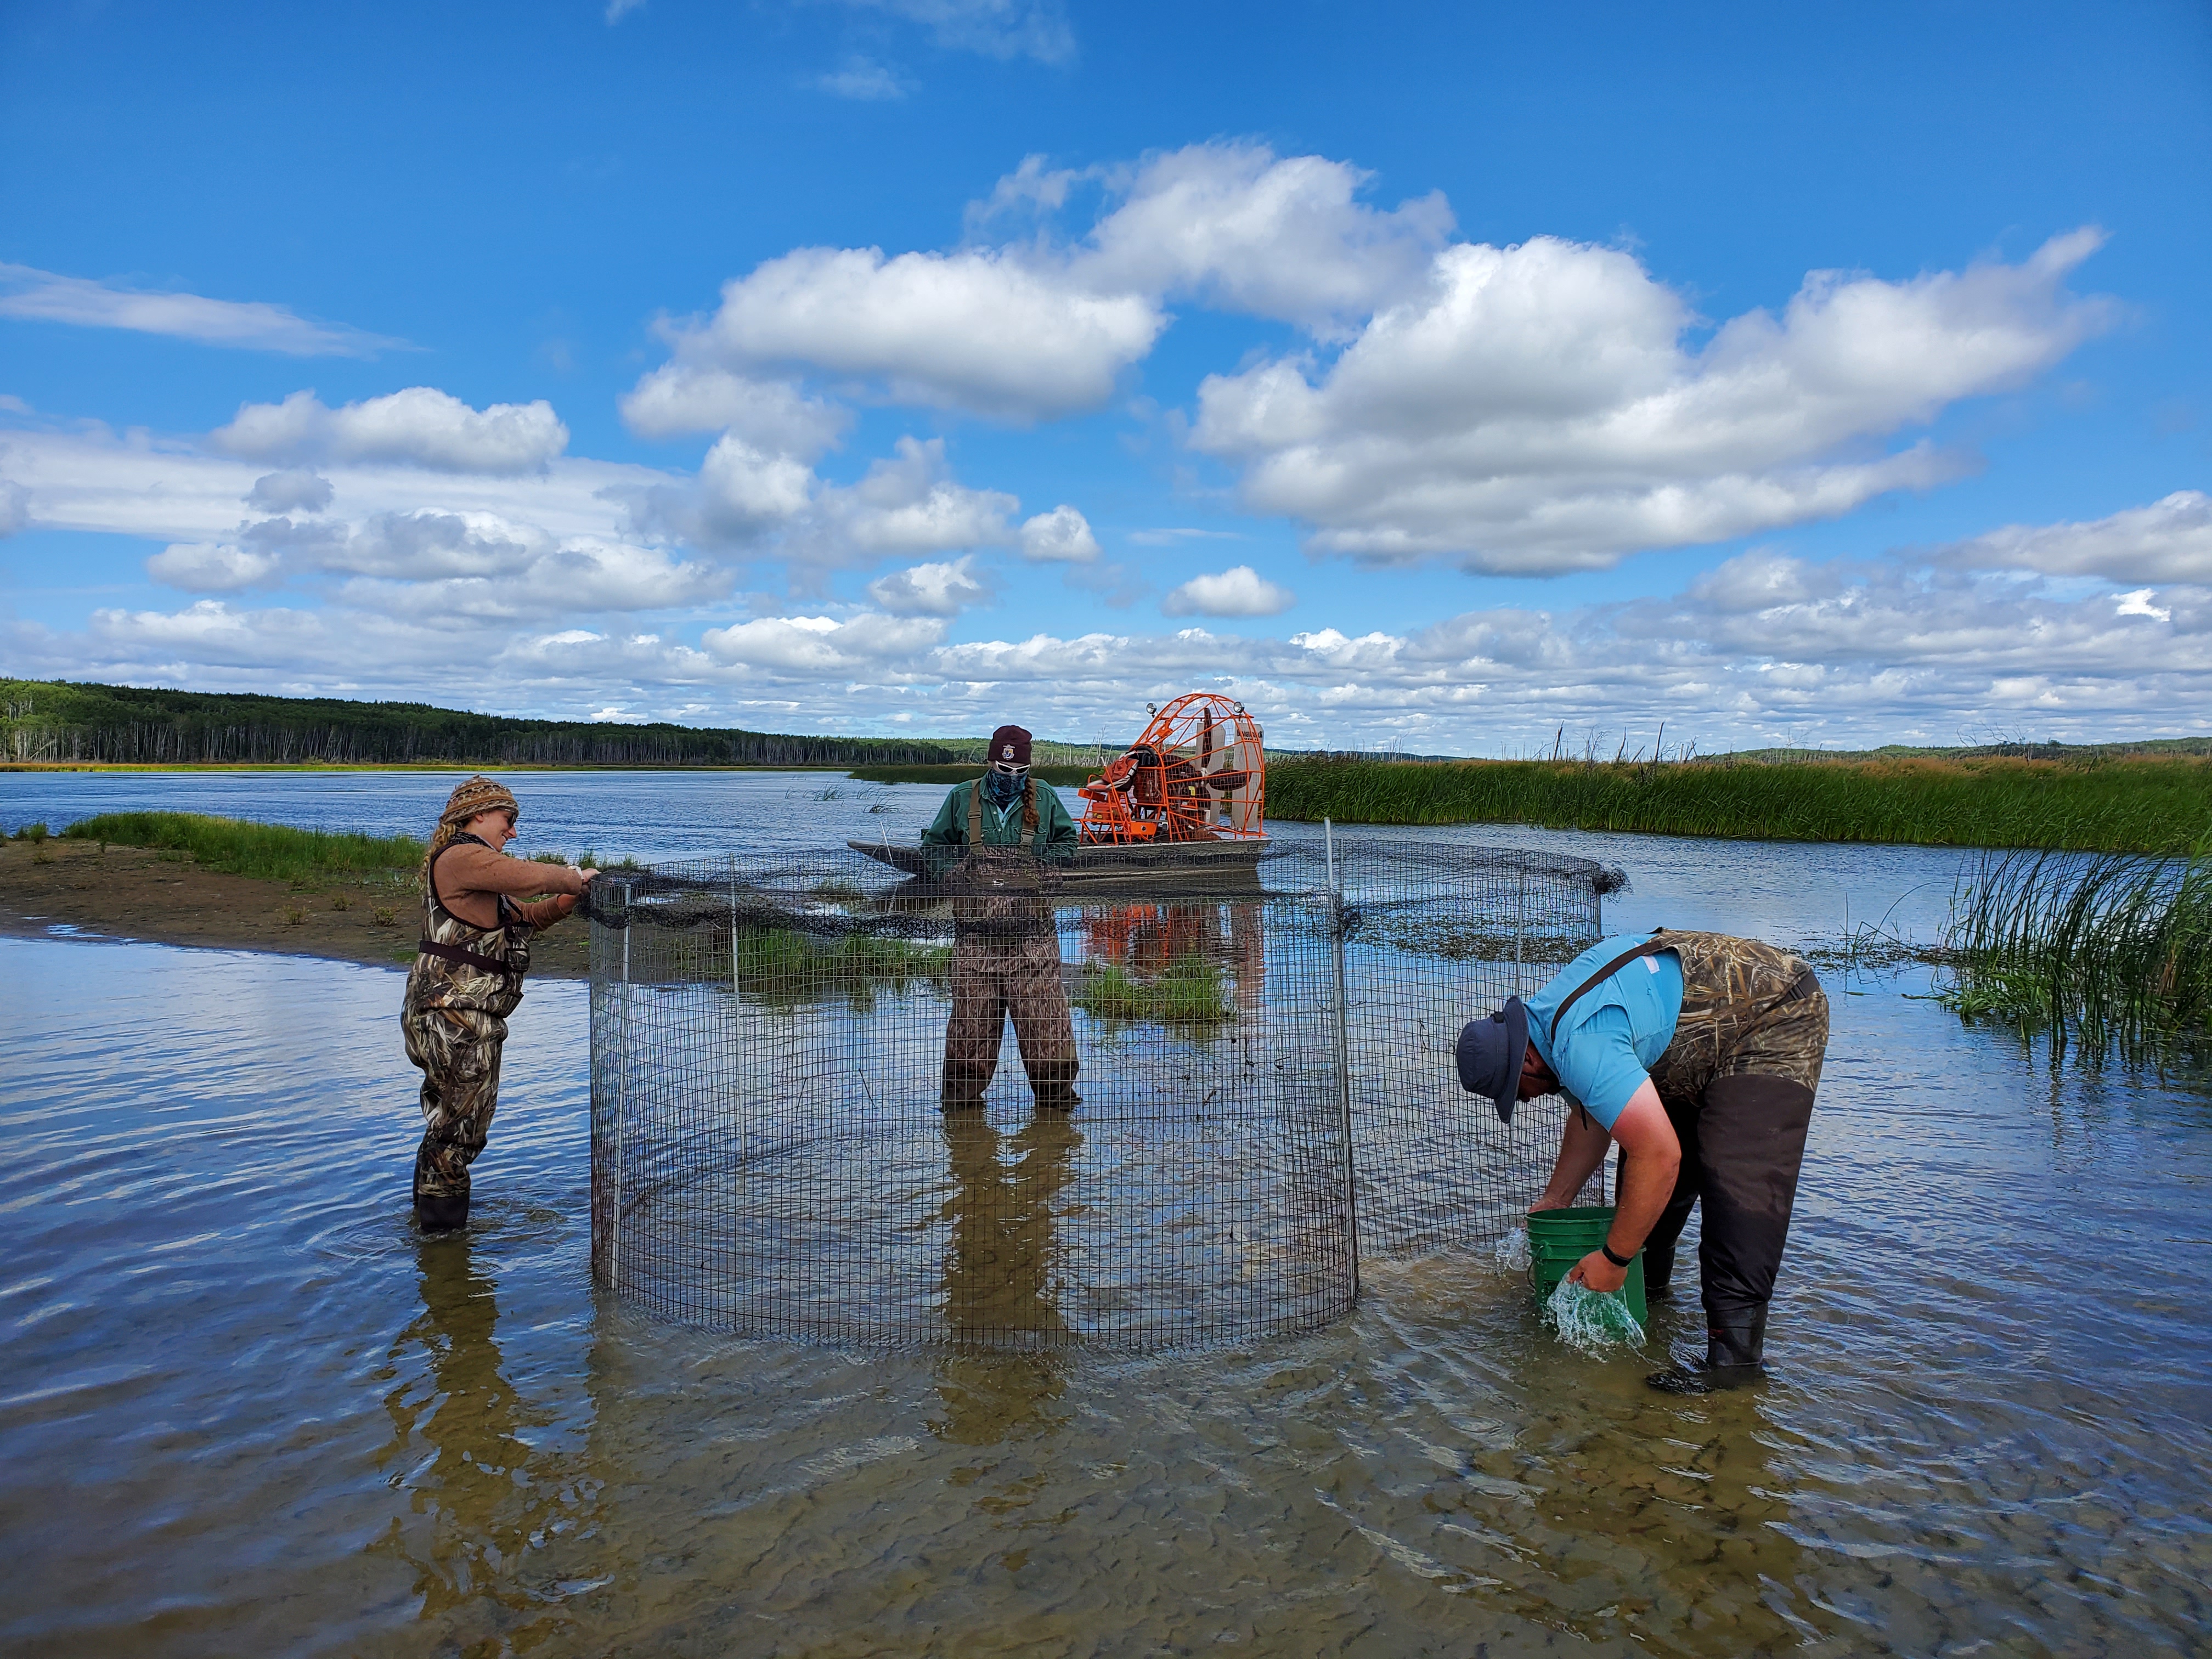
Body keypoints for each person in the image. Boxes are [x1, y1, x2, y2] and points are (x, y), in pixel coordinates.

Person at [1456, 928, 1829, 1393]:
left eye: (1518, 1093)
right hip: (1691, 1042)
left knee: (1737, 1188)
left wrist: (1614, 1258)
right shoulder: (1548, 1021)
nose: (1527, 1101)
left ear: (1527, 1062)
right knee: (1642, 1203)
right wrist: (1556, 1199)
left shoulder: (1579, 1041)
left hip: (1771, 1013)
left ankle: (1734, 1371)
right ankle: (1651, 1304)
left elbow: (1659, 1156)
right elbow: (1594, 1112)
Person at [402, 775, 596, 1232]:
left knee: (451, 1127)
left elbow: (525, 916)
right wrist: (573, 876)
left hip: (460, 1015)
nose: (513, 831)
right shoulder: (461, 857)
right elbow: (525, 878)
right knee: (459, 1133)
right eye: (508, 820)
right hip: (453, 1015)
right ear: (478, 815)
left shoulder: (477, 871)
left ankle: (431, 1237)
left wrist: (568, 900)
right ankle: (445, 1247)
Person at [922, 724, 1081, 1113]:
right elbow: (934, 846)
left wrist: (1046, 867)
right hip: (975, 944)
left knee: (1047, 1034)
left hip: (1034, 944)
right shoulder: (962, 798)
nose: (1012, 777)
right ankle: (962, 1125)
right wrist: (952, 873)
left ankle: (1056, 1125)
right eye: (1004, 769)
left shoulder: (1045, 797)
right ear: (991, 762)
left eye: (1020, 771)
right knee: (970, 1033)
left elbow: (1068, 842)